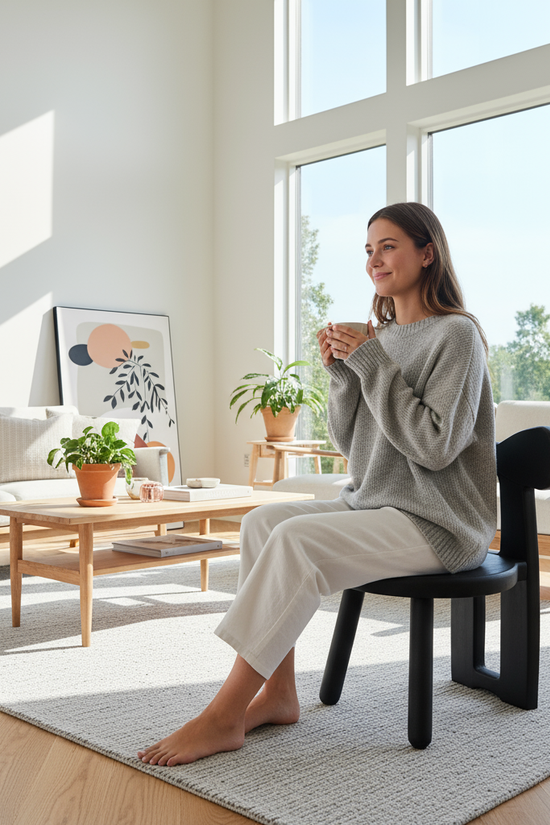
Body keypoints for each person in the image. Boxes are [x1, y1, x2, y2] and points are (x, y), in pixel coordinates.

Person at [138, 202, 497, 767]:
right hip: (378, 504)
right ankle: (278, 693)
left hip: (441, 520)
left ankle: (225, 713)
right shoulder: (379, 339)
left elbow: (433, 447)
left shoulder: (456, 336)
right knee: (262, 523)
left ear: (428, 254)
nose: (375, 259)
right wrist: (342, 377)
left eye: (389, 245)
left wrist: (372, 364)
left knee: (297, 541)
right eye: (369, 249)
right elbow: (355, 450)